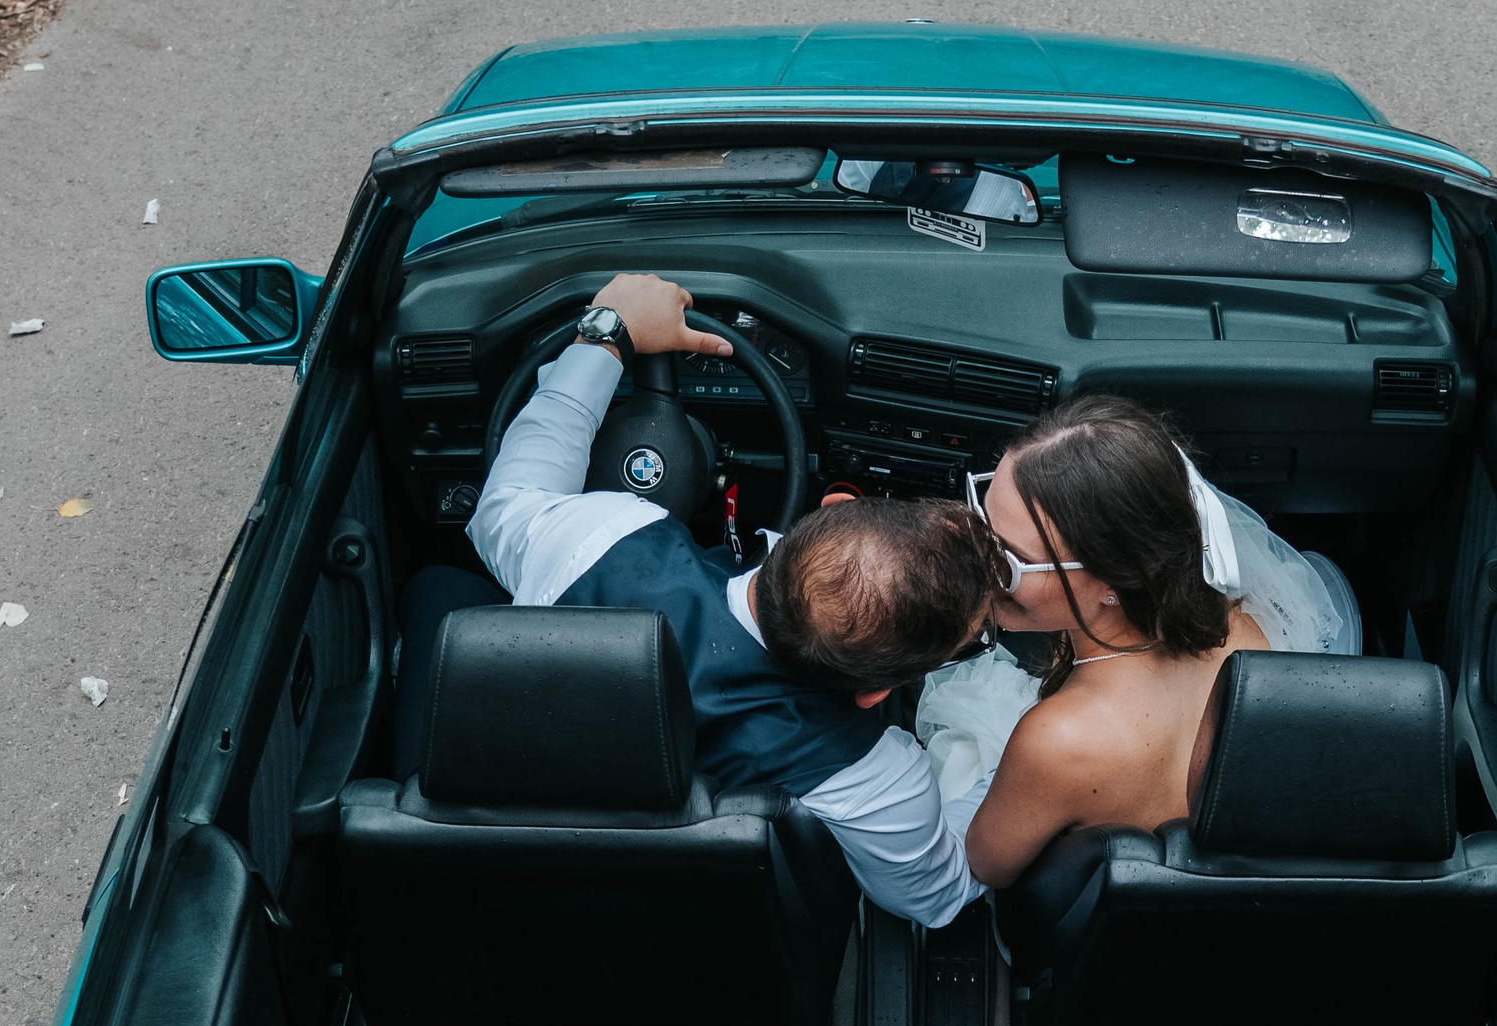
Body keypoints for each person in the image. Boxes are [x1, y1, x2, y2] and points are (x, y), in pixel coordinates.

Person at [443, 271, 996, 925]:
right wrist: (996, 764)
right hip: (698, 927)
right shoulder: (874, 778)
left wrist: (607, 333)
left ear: (832, 508)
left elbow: (499, 509)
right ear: (879, 693)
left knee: (439, 590)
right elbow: (931, 897)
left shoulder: (603, 533)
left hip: (516, 872)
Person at [951, 394, 1278, 891]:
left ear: (1114, 583)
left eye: (1009, 561)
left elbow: (984, 865)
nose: (978, 566)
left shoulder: (1056, 741)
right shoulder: (1251, 629)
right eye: (981, 525)